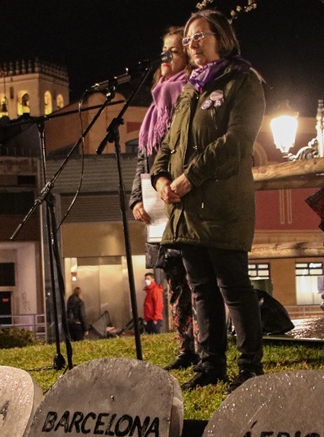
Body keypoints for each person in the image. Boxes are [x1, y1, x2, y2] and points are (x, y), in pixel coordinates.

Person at [152, 9, 266, 393]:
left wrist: (190, 177)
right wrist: (162, 178)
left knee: (233, 286)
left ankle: (249, 366)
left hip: (222, 206)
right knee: (201, 289)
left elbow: (236, 142)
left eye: (200, 36)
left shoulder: (243, 81)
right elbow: (168, 144)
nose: (192, 45)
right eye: (187, 40)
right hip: (184, 210)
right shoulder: (188, 90)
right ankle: (210, 365)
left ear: (222, 37)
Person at [130, 26, 198, 368]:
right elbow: (143, 160)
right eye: (164, 51)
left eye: (174, 50)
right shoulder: (155, 105)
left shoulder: (192, 92)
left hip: (185, 201)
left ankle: (206, 348)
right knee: (174, 281)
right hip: (158, 210)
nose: (166, 57)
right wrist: (136, 201)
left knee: (197, 278)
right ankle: (186, 347)